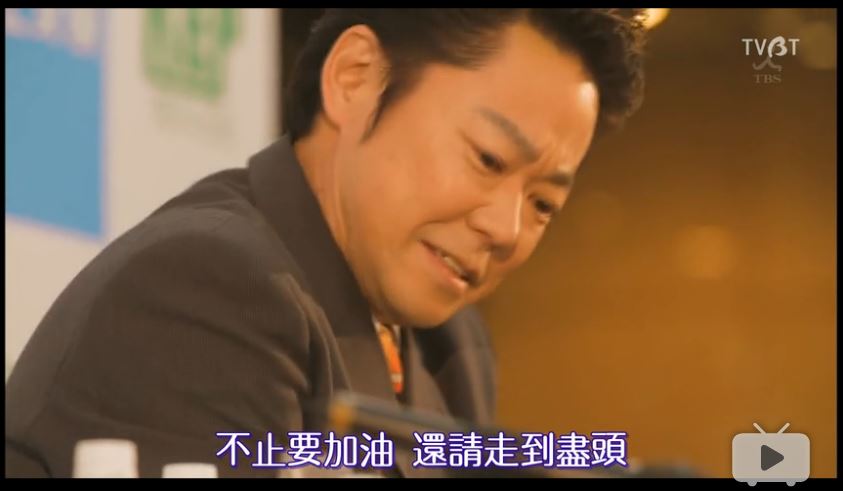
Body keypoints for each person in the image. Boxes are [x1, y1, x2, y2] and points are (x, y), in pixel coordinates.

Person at [6, 8, 645, 477]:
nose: (506, 229)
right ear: (355, 76)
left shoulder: (455, 347)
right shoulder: (204, 288)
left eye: (543, 205)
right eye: (488, 158)